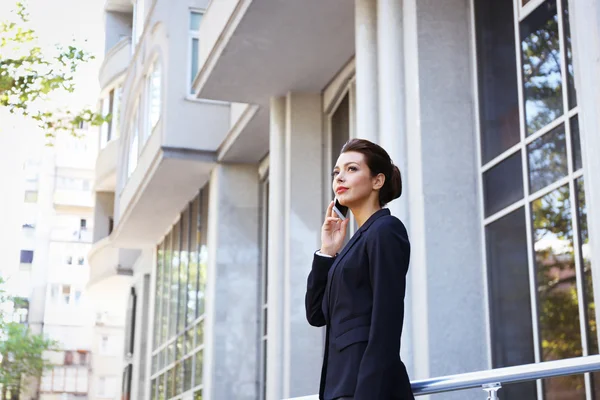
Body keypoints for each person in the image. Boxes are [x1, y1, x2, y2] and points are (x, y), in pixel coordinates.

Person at [305, 138, 414, 400]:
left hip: (366, 389)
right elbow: (316, 314)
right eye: (337, 172)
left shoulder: (385, 230)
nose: (340, 177)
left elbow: (386, 322)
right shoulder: (356, 242)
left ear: (377, 181)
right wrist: (327, 252)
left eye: (352, 169)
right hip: (341, 387)